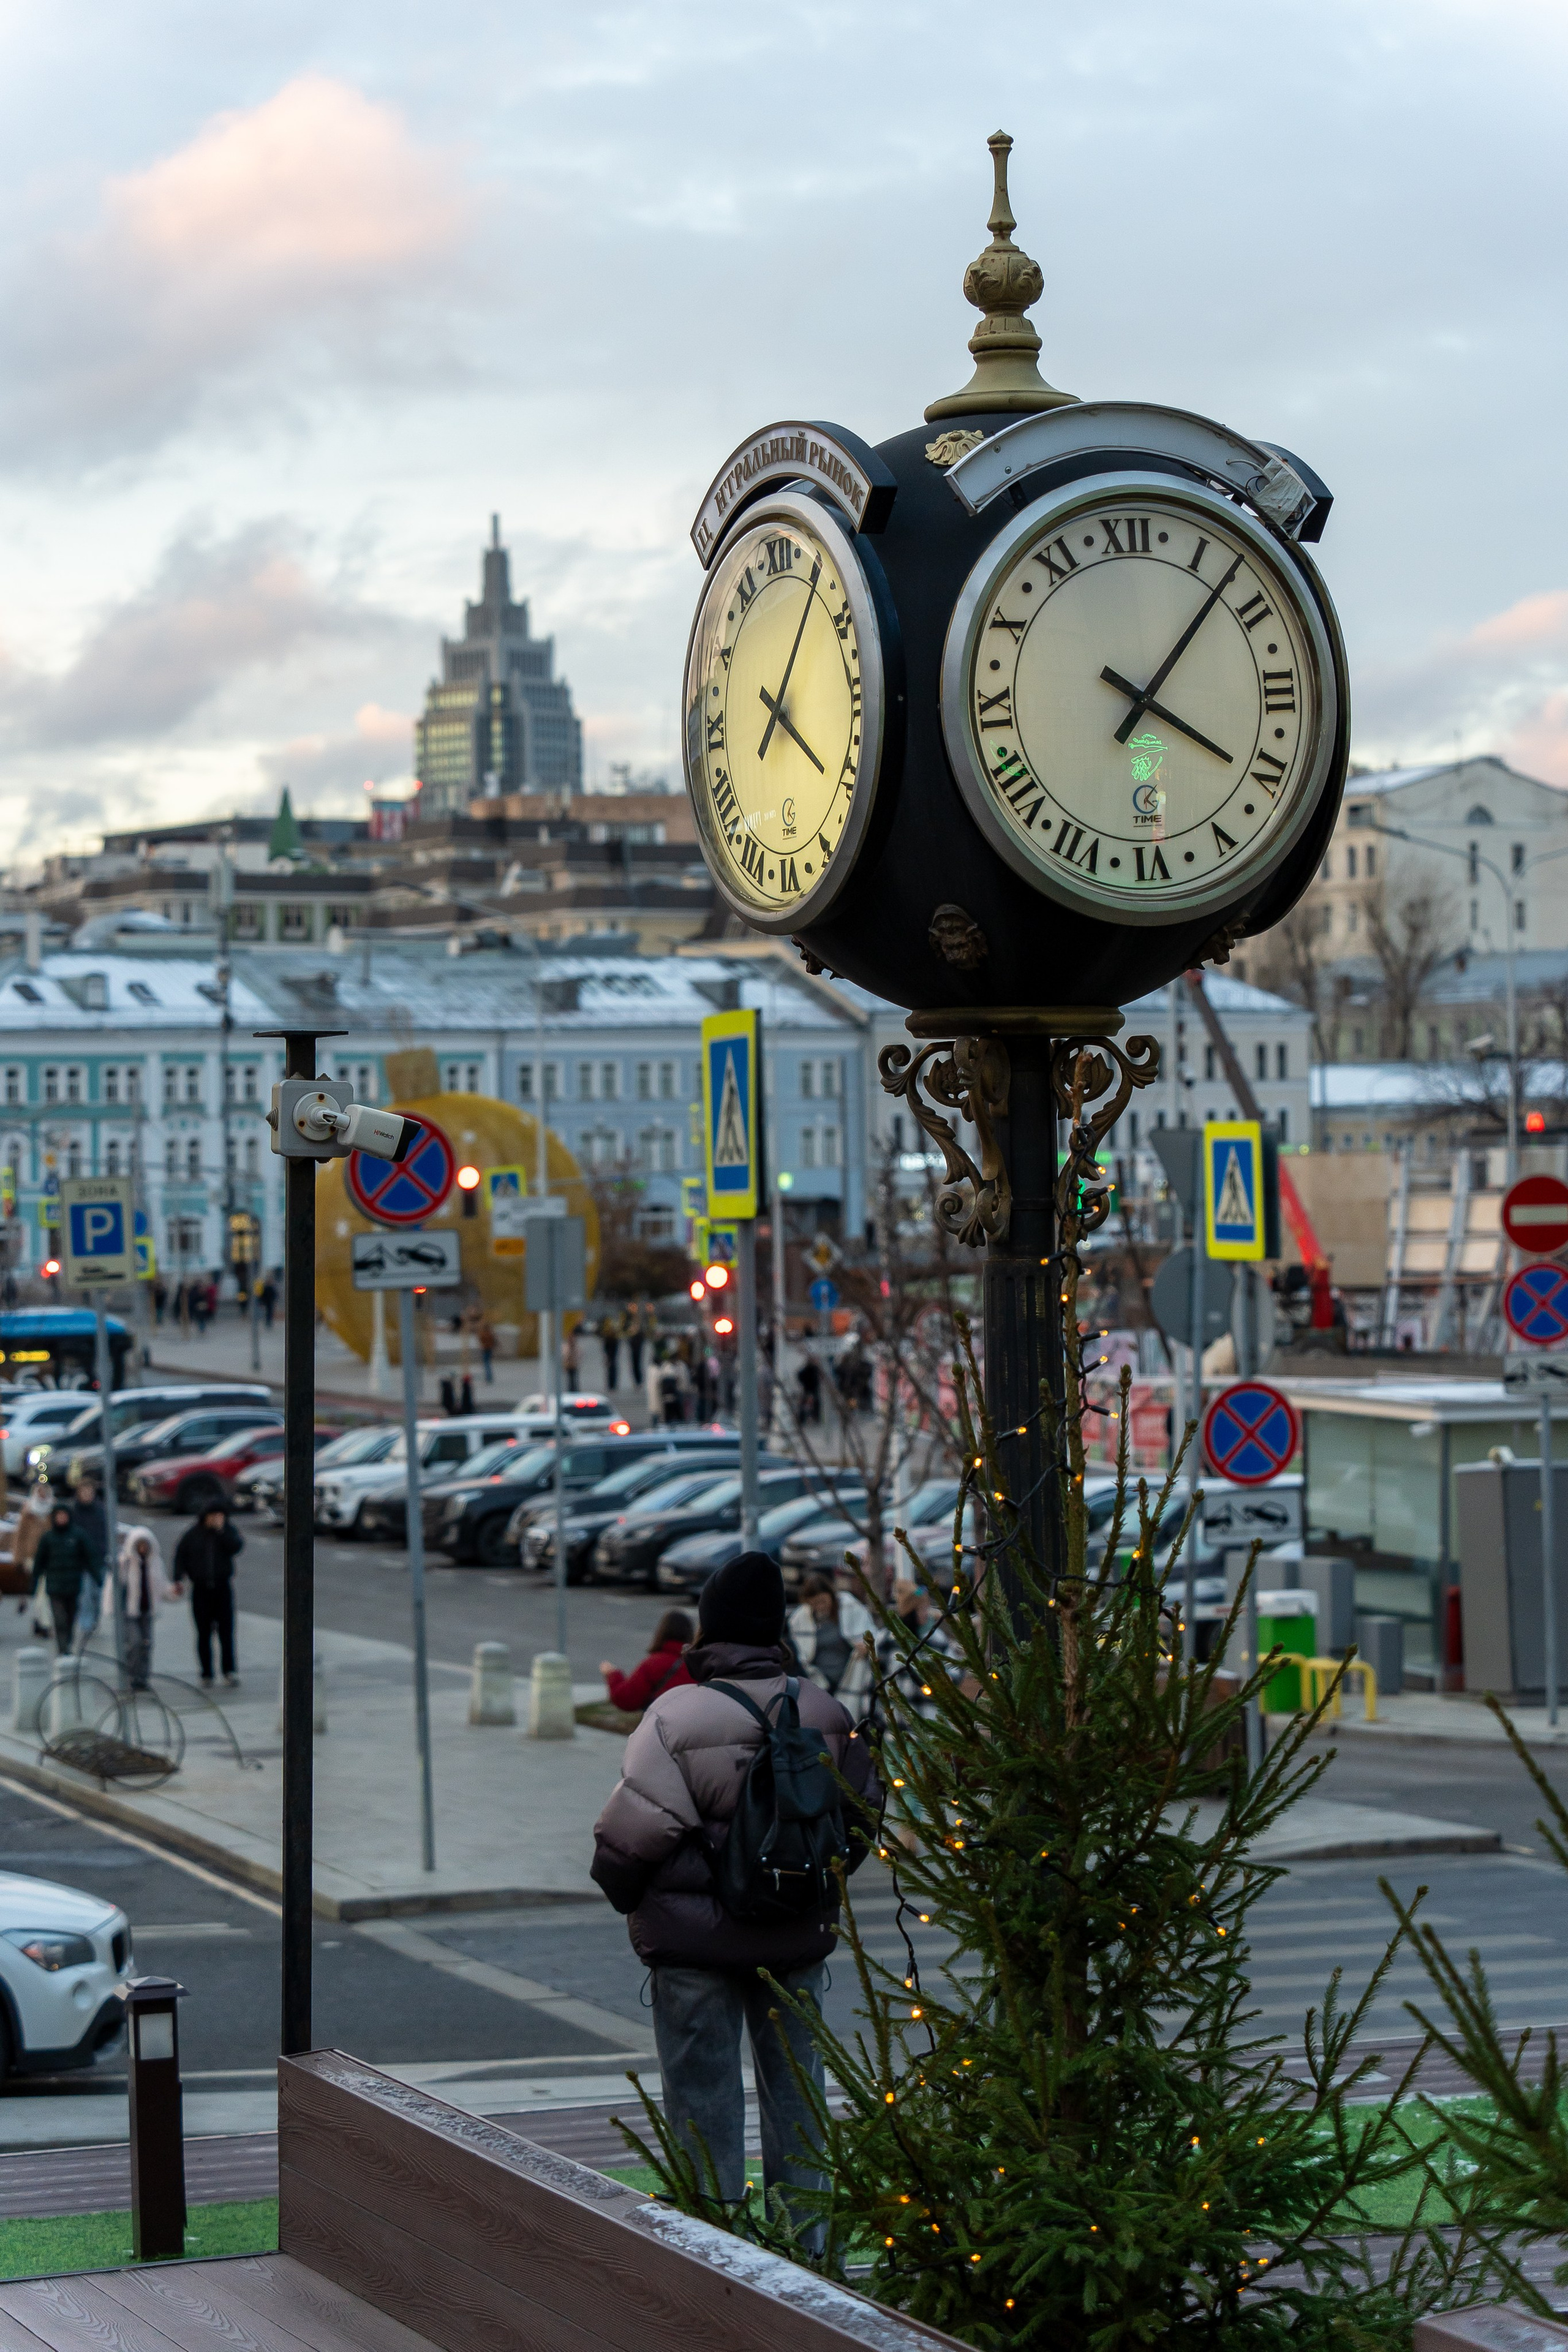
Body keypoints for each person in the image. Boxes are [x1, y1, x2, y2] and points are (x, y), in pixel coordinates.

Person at [591, 1553, 878, 2237]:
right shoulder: (822, 1711)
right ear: (776, 1626)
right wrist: (808, 1882)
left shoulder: (675, 1716)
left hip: (693, 1946)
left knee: (701, 2103)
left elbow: (629, 1841)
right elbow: (861, 1816)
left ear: (709, 1628)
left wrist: (631, 1897)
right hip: (794, 1936)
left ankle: (712, 2253)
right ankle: (808, 2253)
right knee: (799, 2097)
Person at [173, 1505, 243, 1685]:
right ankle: (206, 1673)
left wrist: (222, 1531)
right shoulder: (193, 1534)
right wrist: (178, 1578)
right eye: (213, 1515)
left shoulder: (227, 1532)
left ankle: (229, 1670)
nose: (217, 1519)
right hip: (201, 1588)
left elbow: (236, 1546)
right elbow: (181, 1555)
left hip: (222, 1587)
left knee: (226, 1632)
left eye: (220, 1515)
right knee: (203, 1633)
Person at [788, 1575, 876, 1712]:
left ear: (831, 1595)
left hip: (849, 1676)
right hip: (820, 1682)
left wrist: (866, 1646)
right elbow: (800, 1651)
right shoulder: (801, 1619)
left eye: (823, 1601)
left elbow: (870, 1634)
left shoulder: (849, 1607)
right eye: (815, 1604)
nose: (820, 1606)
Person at [598, 1610, 694, 1715]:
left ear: (662, 1632)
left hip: (662, 1726)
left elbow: (626, 1698)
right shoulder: (698, 1665)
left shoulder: (654, 1663)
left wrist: (612, 1674)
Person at [30, 1504, 94, 1656]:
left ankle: (68, 1642)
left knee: (71, 1618)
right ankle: (63, 1648)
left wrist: (98, 1577)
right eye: (59, 1516)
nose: (62, 1519)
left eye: (64, 1515)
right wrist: (33, 1584)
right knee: (60, 1620)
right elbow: (39, 1562)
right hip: (55, 1586)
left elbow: (90, 1557)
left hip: (73, 1586)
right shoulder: (48, 1538)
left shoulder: (78, 1535)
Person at [118, 1525, 173, 1691]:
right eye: (139, 1546)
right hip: (130, 1611)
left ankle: (142, 1678)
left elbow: (162, 1586)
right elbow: (113, 1587)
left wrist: (173, 1591)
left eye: (145, 1546)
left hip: (147, 1610)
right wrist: (111, 1608)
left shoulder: (155, 1563)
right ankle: (131, 1674)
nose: (142, 1549)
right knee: (134, 1643)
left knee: (147, 1644)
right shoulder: (125, 1562)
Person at [70, 1476, 108, 1653]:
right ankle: (86, 1625)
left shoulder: (100, 1510)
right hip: (81, 1561)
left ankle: (94, 1620)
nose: (87, 1495)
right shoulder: (74, 1512)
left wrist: (105, 1550)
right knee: (85, 1594)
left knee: (97, 1593)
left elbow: (105, 1533)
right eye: (83, 1492)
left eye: (89, 1492)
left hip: (99, 1558)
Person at [599, 1310, 622, 1393]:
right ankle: (611, 1385)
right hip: (611, 1356)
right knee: (611, 1370)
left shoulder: (613, 1339)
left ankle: (612, 1385)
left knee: (612, 1370)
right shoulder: (609, 1338)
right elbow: (605, 1348)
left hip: (612, 1356)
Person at [627, 1299, 648, 1389]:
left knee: (638, 1361)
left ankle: (639, 1380)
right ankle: (637, 1380)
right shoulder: (628, 1318)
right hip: (633, 1341)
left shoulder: (640, 1318)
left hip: (638, 1341)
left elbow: (644, 1329)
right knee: (634, 1362)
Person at [477, 1316, 497, 1384]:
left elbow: (481, 1340)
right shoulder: (490, 1333)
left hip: (485, 1349)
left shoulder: (483, 1333)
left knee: (486, 1364)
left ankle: (488, 1377)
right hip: (489, 1349)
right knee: (488, 1363)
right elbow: (493, 1341)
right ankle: (489, 1377)